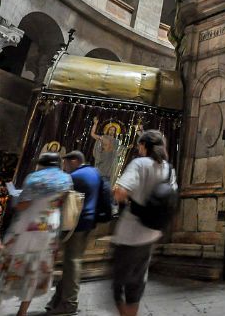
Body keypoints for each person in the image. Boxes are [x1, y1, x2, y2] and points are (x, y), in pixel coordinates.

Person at [0, 152, 72, 316]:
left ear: (42, 164)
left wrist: (15, 201)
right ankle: (22, 311)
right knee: (35, 270)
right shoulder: (66, 179)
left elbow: (23, 205)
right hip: (50, 228)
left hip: (28, 227)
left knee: (10, 261)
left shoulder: (34, 178)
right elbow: (61, 203)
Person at [111, 130, 171, 316]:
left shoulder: (139, 164)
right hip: (152, 232)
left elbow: (120, 192)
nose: (138, 149)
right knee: (137, 281)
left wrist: (126, 199)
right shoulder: (168, 169)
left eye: (139, 145)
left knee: (118, 283)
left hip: (130, 233)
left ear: (144, 145)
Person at [47, 151, 102, 315]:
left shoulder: (74, 176)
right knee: (72, 261)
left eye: (65, 163)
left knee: (72, 263)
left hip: (75, 223)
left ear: (74, 161)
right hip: (89, 222)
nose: (64, 167)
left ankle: (69, 303)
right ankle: (57, 300)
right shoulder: (94, 172)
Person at [91, 117, 122, 183]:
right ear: (108, 130)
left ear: (115, 131)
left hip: (110, 163)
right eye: (110, 129)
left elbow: (118, 152)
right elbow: (93, 134)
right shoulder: (103, 137)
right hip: (102, 160)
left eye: (113, 130)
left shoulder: (117, 141)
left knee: (106, 180)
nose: (112, 131)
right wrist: (95, 124)